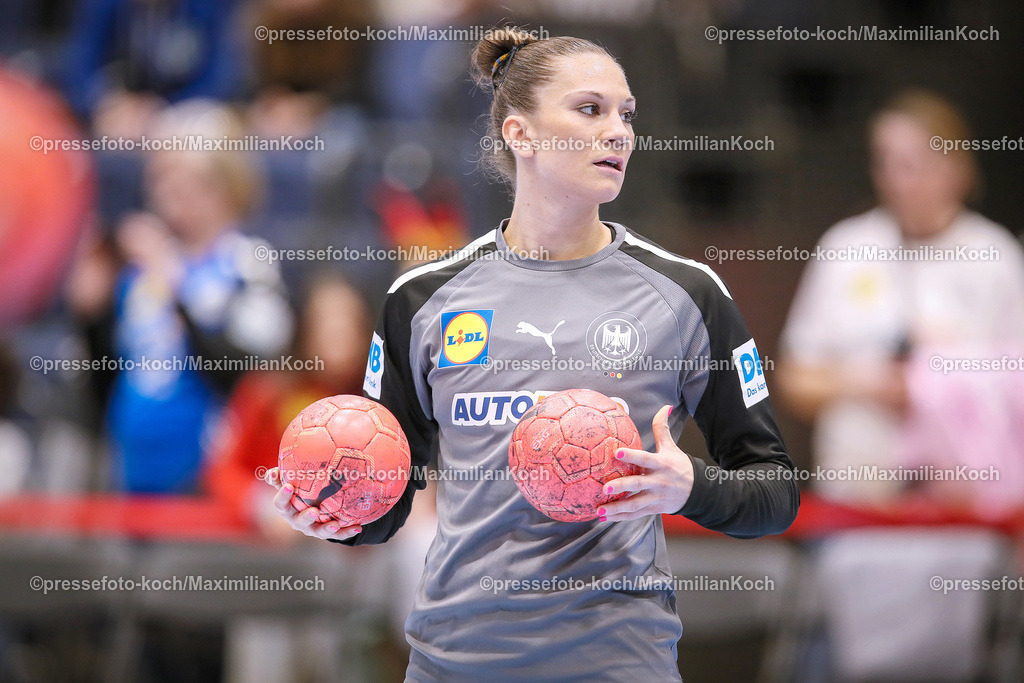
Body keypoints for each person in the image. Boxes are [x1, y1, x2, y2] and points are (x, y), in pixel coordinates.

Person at [265, 27, 799, 680]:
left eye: (626, 114)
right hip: (456, 660)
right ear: (520, 134)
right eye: (590, 109)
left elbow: (775, 492)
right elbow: (390, 501)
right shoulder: (422, 297)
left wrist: (690, 486)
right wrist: (334, 510)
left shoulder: (687, 294)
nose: (618, 132)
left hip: (616, 661)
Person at [777, 89, 1024, 509]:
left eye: (912, 163)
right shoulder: (846, 247)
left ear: (958, 168)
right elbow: (793, 377)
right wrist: (868, 383)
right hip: (859, 501)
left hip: (967, 510)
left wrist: (944, 384)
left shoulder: (995, 255)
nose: (896, 178)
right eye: (885, 162)